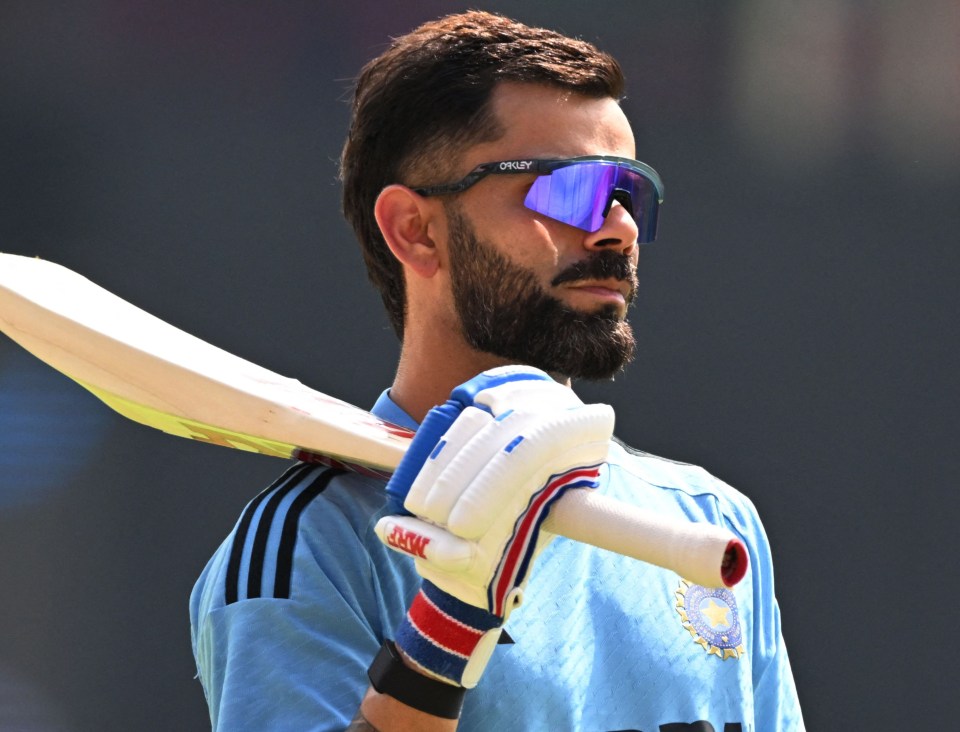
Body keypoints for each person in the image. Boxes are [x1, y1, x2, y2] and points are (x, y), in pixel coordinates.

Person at [189, 10, 804, 731]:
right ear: (414, 230)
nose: (618, 227)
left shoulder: (712, 521)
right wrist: (445, 634)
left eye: (629, 192)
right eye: (565, 190)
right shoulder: (312, 543)